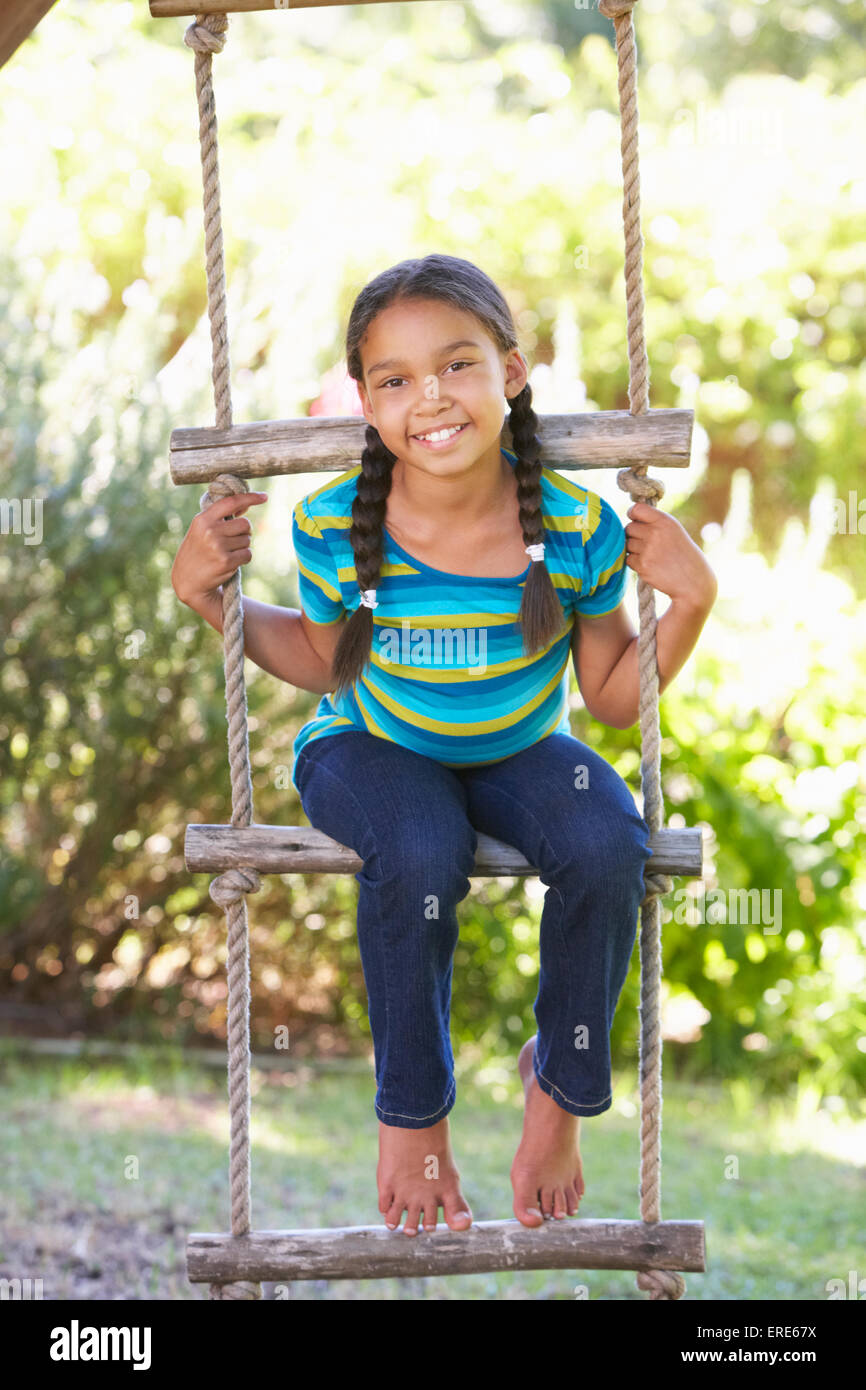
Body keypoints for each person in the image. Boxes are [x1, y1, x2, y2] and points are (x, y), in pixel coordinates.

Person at [171, 252, 718, 1241]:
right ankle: (412, 1118)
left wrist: (691, 598)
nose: (430, 397)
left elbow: (606, 694)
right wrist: (211, 599)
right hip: (368, 744)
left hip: (516, 747)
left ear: (510, 373)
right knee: (418, 845)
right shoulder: (339, 524)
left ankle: (557, 1089)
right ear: (368, 403)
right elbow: (321, 657)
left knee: (606, 841)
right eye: (394, 379)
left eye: (457, 364)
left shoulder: (573, 525)